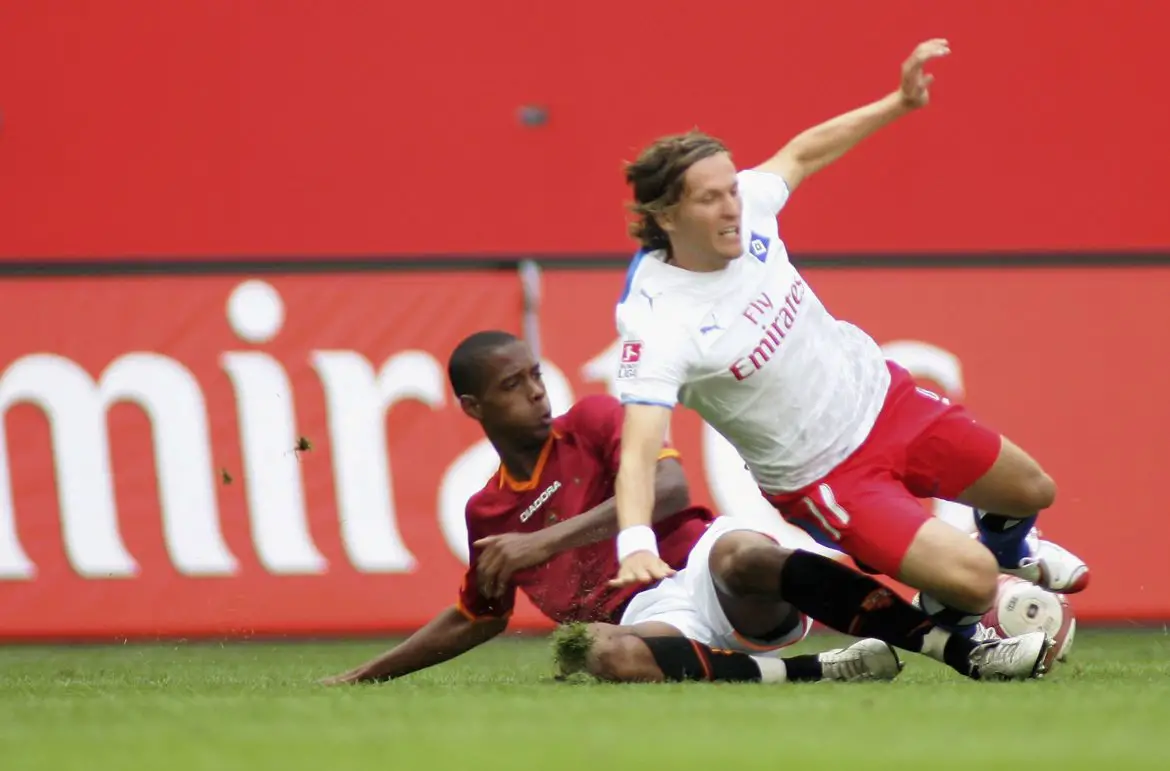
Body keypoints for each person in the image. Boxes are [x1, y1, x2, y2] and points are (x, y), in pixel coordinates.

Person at [608, 38, 1088, 665]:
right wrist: (635, 542)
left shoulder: (748, 207)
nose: (734, 207)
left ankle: (1004, 561)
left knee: (1030, 491)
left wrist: (899, 102)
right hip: (827, 475)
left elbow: (802, 153)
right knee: (972, 581)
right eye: (711, 199)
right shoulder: (659, 320)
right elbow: (640, 446)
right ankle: (969, 613)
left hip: (885, 400)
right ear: (667, 217)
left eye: (732, 189)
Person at [323, 331, 1047, 687]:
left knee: (746, 551)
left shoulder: (595, 420)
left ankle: (961, 649)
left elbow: (666, 491)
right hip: (646, 617)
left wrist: (542, 544)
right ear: (473, 406)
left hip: (698, 562)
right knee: (602, 654)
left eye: (535, 375)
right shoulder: (488, 513)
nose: (537, 392)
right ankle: (820, 671)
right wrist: (362, 678)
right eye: (512, 386)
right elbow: (477, 616)